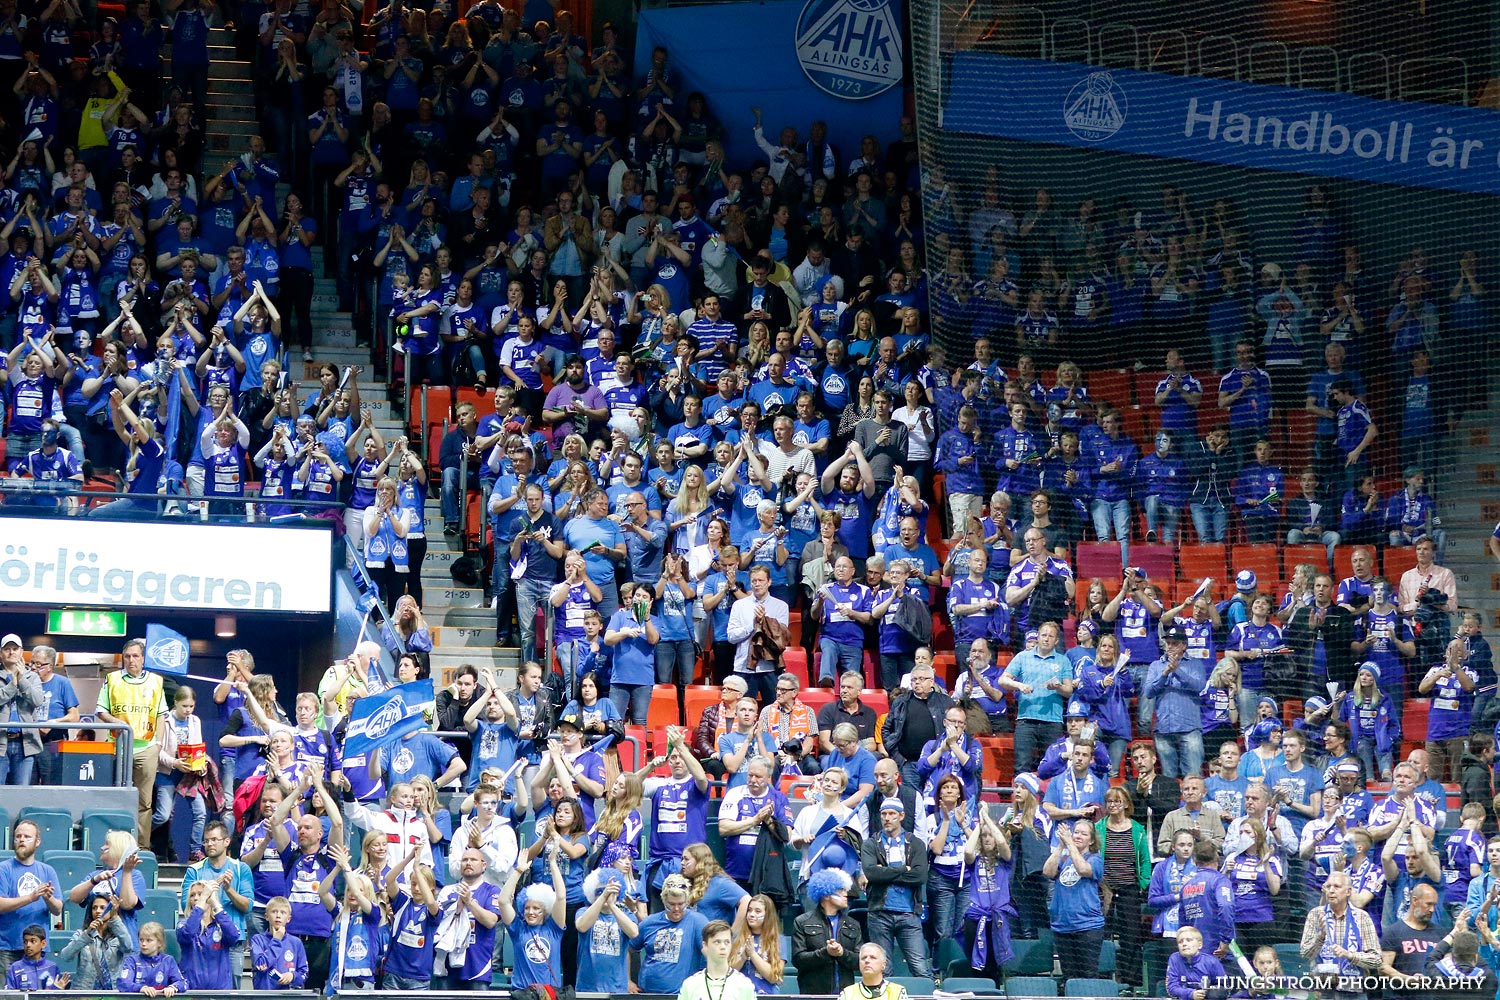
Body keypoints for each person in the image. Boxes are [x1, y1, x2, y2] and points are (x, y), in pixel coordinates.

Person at [94, 637, 169, 842]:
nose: (131, 660)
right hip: (119, 748)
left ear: (143, 659)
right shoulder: (113, 679)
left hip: (147, 749)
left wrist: (159, 745)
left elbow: (161, 714)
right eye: (127, 656)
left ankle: (142, 846)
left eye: (135, 656)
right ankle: (115, 843)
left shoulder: (155, 681)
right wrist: (119, 724)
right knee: (116, 796)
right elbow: (100, 710)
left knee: (144, 801)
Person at [861, 797, 932, 978]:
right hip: (879, 913)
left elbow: (920, 876)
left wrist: (884, 872)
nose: (887, 818)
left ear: (901, 816)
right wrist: (903, 869)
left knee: (920, 968)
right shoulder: (871, 843)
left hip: (908, 914)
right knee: (883, 971)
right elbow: (871, 873)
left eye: (892, 814)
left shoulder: (915, 843)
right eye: (884, 814)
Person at [999, 620, 1075, 772]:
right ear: (1038, 637)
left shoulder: (1063, 660)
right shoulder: (1023, 657)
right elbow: (1002, 680)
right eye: (1044, 635)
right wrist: (1020, 685)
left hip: (1052, 722)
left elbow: (1068, 690)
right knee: (1022, 766)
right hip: (1026, 721)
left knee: (1052, 766)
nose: (1046, 639)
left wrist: (1058, 687)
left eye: (1051, 636)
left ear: (1056, 640)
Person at [1045, 818, 1106, 981]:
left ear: (1091, 840)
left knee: (1087, 977)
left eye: (1083, 834)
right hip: (1063, 927)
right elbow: (1048, 872)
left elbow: (1083, 869)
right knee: (1069, 978)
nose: (1078, 836)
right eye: (1076, 832)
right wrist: (1060, 846)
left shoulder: (1095, 858)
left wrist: (1070, 844)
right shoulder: (1065, 859)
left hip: (1088, 927)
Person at [633, 874, 710, 993]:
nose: (676, 909)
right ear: (664, 901)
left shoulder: (698, 922)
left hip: (681, 994)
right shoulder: (649, 923)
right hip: (648, 993)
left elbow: (711, 955)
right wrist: (627, 980)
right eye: (672, 904)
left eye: (681, 904)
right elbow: (629, 948)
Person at [791, 869, 861, 995]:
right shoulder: (802, 922)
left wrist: (842, 953)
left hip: (845, 995)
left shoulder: (853, 925)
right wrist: (825, 953)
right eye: (841, 890)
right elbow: (798, 960)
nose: (846, 894)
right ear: (826, 894)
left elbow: (859, 961)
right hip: (813, 994)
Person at [677, 918, 758, 1000]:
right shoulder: (691, 984)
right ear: (705, 945)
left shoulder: (744, 984)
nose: (723, 947)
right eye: (717, 942)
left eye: (727, 942)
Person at [1165, 926, 1224, 1000]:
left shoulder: (1212, 961)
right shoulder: (1174, 959)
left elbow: (1223, 987)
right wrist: (1190, 994)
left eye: (1189, 940)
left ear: (1200, 945)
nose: (1184, 944)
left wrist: (1206, 993)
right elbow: (1171, 987)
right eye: (1180, 942)